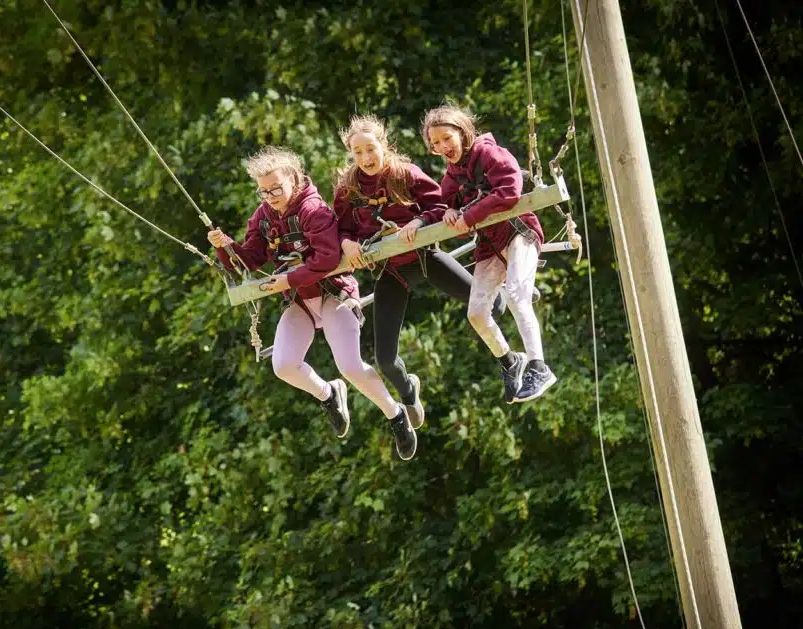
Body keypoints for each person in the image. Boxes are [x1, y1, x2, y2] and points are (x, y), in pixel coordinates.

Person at [207, 146, 417, 460]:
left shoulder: (313, 210)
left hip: (333, 292)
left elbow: (327, 258)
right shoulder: (263, 217)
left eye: (276, 188)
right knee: (283, 366)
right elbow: (249, 260)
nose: (271, 196)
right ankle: (328, 393)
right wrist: (226, 247)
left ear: (293, 180)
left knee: (350, 366)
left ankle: (396, 415)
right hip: (299, 301)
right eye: (264, 191)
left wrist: (288, 280)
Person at [333, 114, 505, 424]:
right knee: (383, 358)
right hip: (392, 272)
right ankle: (408, 392)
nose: (366, 158)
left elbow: (441, 206)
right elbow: (341, 230)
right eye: (357, 153)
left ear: (383, 145)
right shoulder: (348, 189)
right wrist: (347, 244)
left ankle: (510, 290)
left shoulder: (404, 174)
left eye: (370, 149)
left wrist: (419, 221)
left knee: (495, 305)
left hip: (425, 257)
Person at [421, 103, 557, 403]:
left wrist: (468, 217)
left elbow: (509, 190)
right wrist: (450, 213)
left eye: (447, 138)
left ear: (462, 132)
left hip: (518, 232)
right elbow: (446, 206)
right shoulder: (451, 178)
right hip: (489, 245)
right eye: (436, 143)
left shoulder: (490, 154)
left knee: (519, 295)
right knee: (477, 314)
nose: (443, 146)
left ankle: (539, 365)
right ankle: (510, 361)